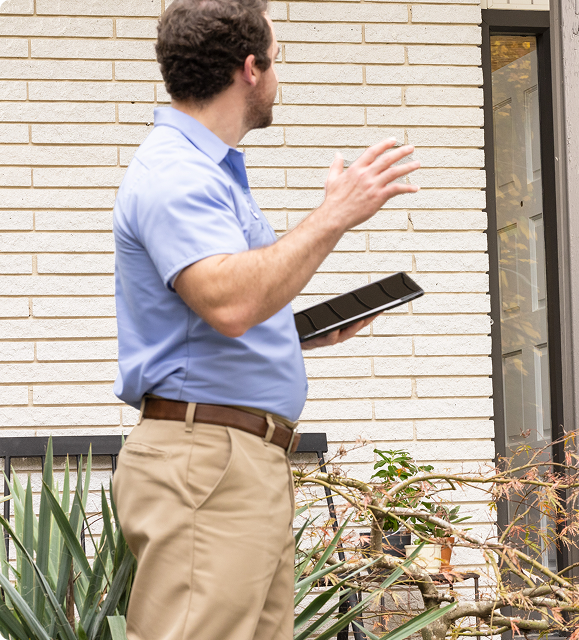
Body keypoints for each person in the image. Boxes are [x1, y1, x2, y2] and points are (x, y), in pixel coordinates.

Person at [109, 1, 420, 638]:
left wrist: (294, 331)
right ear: (250, 69)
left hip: (235, 463)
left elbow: (221, 306)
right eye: (277, 61)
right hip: (208, 466)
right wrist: (335, 214)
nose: (280, 76)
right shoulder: (177, 174)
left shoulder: (210, 173)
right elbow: (229, 303)